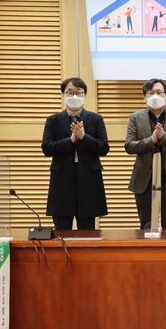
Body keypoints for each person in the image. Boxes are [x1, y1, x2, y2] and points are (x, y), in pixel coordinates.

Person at [42, 77, 109, 230]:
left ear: (85, 95)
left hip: (89, 180)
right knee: (62, 230)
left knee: (87, 232)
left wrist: (84, 137)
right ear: (63, 95)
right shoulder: (53, 120)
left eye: (79, 93)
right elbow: (47, 148)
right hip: (62, 180)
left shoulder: (96, 119)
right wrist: (71, 140)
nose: (74, 96)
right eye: (69, 92)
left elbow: (103, 148)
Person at [125, 79, 166, 229]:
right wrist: (152, 140)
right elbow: (129, 146)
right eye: (151, 92)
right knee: (147, 225)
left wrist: (164, 137)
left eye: (159, 92)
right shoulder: (136, 117)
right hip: (145, 179)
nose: (155, 96)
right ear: (145, 97)